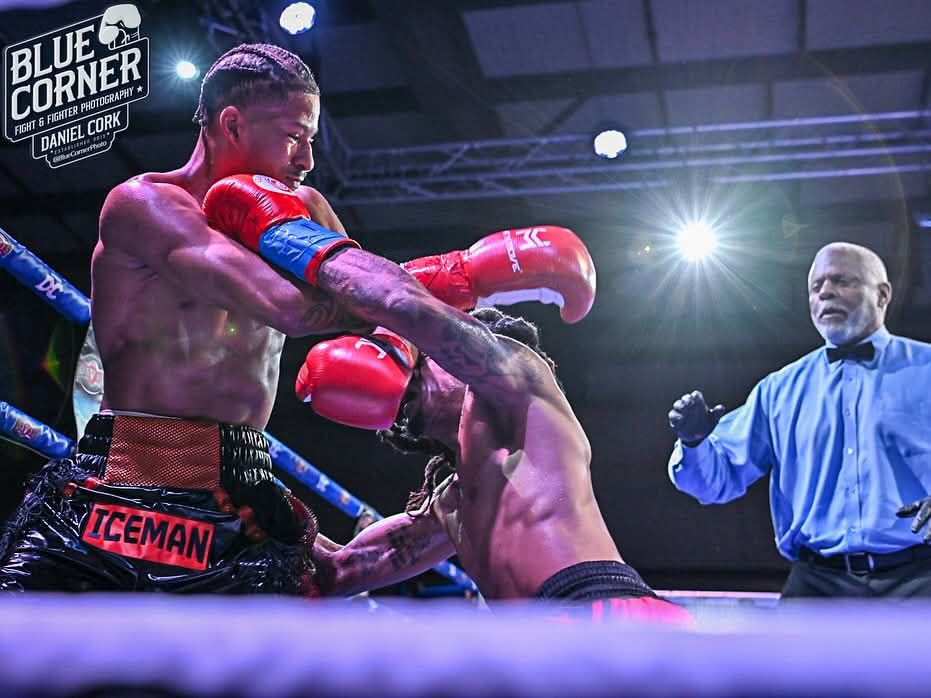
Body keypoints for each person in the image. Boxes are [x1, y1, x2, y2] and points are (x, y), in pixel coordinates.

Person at [0, 43, 594, 593]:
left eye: (311, 138)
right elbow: (292, 306)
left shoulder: (306, 206)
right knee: (32, 641)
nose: (307, 159)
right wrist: (455, 276)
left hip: (240, 476)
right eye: (293, 137)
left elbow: (367, 300)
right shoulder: (144, 205)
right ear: (233, 124)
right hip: (131, 472)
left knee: (281, 628)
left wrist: (455, 279)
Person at [297, 308, 690, 623]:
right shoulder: (451, 504)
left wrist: (395, 332)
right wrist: (264, 489)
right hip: (535, 643)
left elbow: (419, 312)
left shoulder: (523, 384)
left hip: (604, 612)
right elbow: (341, 573)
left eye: (422, 361)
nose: (407, 375)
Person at [666, 242, 931, 598]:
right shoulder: (779, 390)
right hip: (818, 582)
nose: (826, 292)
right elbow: (717, 480)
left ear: (882, 294)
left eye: (842, 281)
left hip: (919, 577)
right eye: (816, 286)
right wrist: (694, 443)